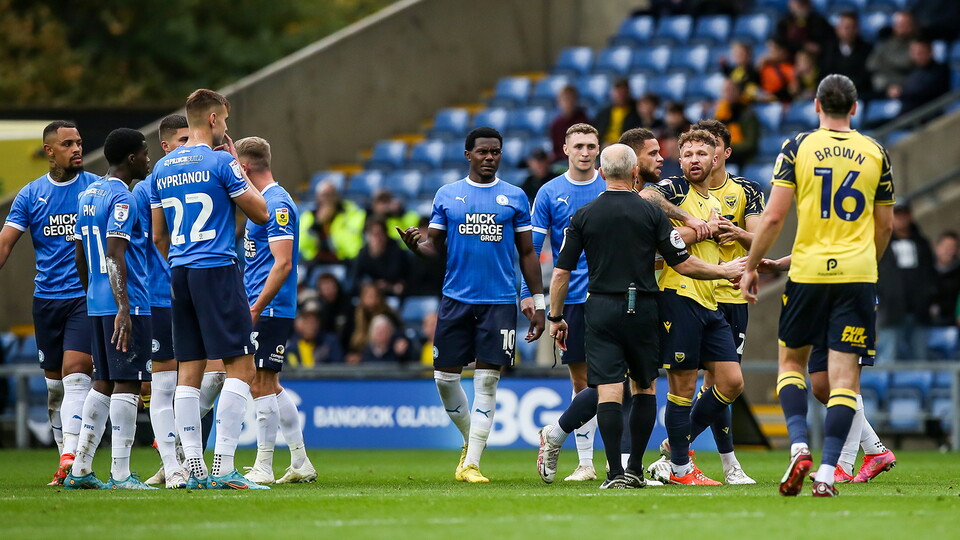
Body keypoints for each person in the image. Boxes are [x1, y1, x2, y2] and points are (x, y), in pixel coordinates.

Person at [545, 143, 744, 489]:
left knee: (608, 391)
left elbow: (561, 274)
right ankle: (635, 469)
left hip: (601, 306)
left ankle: (614, 474)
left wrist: (556, 317)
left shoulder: (584, 214)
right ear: (635, 173)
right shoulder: (652, 215)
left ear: (602, 173)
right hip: (644, 306)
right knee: (645, 390)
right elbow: (683, 263)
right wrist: (722, 272)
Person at [741, 74, 895, 497]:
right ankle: (827, 473)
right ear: (855, 107)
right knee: (845, 380)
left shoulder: (798, 147)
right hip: (857, 275)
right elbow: (885, 225)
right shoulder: (875, 152)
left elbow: (772, 218)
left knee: (791, 364)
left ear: (816, 105)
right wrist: (867, 262)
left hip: (809, 273)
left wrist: (753, 265)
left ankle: (797, 446)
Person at [397, 127, 546, 483]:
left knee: (487, 382)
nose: (490, 157)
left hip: (498, 303)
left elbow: (527, 253)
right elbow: (436, 247)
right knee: (445, 379)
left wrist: (537, 302)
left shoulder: (515, 197)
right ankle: (471, 440)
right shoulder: (448, 195)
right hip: (456, 300)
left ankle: (472, 463)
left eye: (495, 151)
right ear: (469, 155)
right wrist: (416, 247)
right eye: (483, 151)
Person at [150, 88, 270, 490]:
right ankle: (224, 466)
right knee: (242, 365)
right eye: (226, 120)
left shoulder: (164, 168)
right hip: (216, 268)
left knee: (190, 368)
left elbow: (158, 234)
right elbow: (261, 211)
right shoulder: (221, 161)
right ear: (215, 119)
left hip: (180, 272)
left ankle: (193, 469)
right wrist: (236, 164)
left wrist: (180, 258)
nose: (227, 128)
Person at [659, 119, 764, 485]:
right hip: (681, 295)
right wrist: (691, 224)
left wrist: (730, 247)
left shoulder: (725, 197)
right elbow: (648, 202)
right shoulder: (674, 188)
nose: (694, 158)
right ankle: (681, 465)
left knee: (730, 381)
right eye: (686, 153)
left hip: (718, 298)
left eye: (702, 152)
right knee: (683, 386)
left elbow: (758, 240)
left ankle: (675, 447)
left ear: (719, 155)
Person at [0, 121, 98, 485]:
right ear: (49, 151)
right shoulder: (31, 195)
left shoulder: (96, 189)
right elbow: (6, 242)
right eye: (68, 143)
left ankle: (74, 457)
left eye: (79, 142)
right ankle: (65, 461)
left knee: (76, 375)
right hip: (46, 301)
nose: (77, 149)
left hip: (84, 297)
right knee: (55, 389)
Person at [66, 128, 155, 490]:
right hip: (126, 302)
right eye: (145, 153)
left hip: (96, 302)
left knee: (101, 382)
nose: (148, 159)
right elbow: (115, 253)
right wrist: (123, 306)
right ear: (131, 158)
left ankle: (82, 468)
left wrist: (95, 296)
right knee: (128, 383)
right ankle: (121, 473)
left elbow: (79, 255)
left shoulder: (87, 194)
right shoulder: (123, 198)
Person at [758, 255, 896, 484]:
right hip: (819, 297)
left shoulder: (858, 222)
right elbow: (812, 246)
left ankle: (843, 464)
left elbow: (877, 238)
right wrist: (778, 264)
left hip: (853, 294)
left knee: (847, 381)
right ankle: (876, 451)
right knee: (822, 386)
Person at [520, 123, 606, 484]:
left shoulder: (612, 186)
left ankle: (563, 438)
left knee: (621, 380)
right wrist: (531, 296)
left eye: (591, 146)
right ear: (566, 150)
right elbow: (531, 250)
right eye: (579, 146)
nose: (585, 152)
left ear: (599, 149)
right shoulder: (549, 192)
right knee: (583, 382)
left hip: (612, 294)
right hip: (570, 298)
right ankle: (585, 462)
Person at [232, 136, 317, 486]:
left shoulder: (277, 204)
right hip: (264, 306)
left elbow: (282, 264)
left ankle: (263, 465)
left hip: (268, 308)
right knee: (270, 383)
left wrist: (255, 306)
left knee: (259, 382)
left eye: (236, 167)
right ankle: (300, 461)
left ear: (246, 167)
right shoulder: (264, 201)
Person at [131, 114, 189, 489]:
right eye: (181, 139)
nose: (189, 144)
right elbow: (135, 245)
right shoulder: (144, 191)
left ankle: (183, 457)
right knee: (166, 386)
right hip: (160, 297)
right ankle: (173, 464)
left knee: (210, 377)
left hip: (195, 291)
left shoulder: (198, 178)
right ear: (165, 146)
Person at [876, 204, 936, 362]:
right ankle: (886, 387)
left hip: (919, 310)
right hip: (890, 310)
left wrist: (929, 298)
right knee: (888, 355)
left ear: (910, 216)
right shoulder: (880, 244)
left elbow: (930, 273)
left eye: (904, 215)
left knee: (920, 356)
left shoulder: (922, 244)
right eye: (897, 215)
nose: (901, 219)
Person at [299, 180, 366, 264]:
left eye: (331, 195)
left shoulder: (351, 213)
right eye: (324, 195)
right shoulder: (308, 216)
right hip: (315, 261)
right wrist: (317, 224)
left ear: (337, 196)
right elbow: (301, 244)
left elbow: (353, 245)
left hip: (343, 260)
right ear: (318, 197)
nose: (328, 199)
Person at [351, 218, 411, 298]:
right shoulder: (363, 253)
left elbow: (406, 279)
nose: (378, 239)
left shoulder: (397, 252)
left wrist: (389, 286)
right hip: (371, 296)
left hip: (394, 296)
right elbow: (356, 280)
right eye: (374, 234)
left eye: (381, 234)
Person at [891, 38, 951, 115]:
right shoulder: (915, 71)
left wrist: (901, 93)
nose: (917, 56)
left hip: (928, 114)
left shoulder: (940, 69)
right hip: (906, 115)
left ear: (930, 52)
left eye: (920, 53)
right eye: (914, 53)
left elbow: (926, 91)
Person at [820, 12, 873, 98]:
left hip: (859, 94)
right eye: (847, 28)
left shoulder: (867, 49)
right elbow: (826, 72)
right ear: (838, 30)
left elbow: (865, 75)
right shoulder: (829, 50)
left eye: (853, 27)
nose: (850, 31)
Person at [866, 11, 917, 99]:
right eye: (899, 24)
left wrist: (888, 62)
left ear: (912, 26)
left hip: (908, 87)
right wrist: (889, 86)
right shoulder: (884, 44)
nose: (902, 28)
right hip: (884, 86)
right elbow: (872, 65)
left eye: (906, 24)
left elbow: (910, 65)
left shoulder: (917, 45)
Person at [713, 80, 760, 168]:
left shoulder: (747, 114)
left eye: (731, 90)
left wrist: (726, 148)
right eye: (725, 91)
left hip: (741, 159)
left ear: (739, 92)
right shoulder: (720, 113)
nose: (728, 94)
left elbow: (750, 144)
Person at [931, 231, 960, 358]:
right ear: (937, 247)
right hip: (927, 325)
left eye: (952, 247)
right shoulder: (925, 269)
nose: (948, 251)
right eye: (945, 246)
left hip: (953, 325)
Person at [592, 79, 640, 146]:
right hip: (603, 147)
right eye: (618, 92)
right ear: (612, 93)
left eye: (623, 92)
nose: (620, 96)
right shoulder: (603, 113)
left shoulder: (636, 113)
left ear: (628, 93)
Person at [549, 85, 590, 161]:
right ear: (559, 102)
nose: (568, 103)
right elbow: (556, 149)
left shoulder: (583, 120)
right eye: (565, 100)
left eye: (571, 99)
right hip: (562, 161)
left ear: (575, 101)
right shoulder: (556, 124)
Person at [758, 38, 796, 103]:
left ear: (782, 51)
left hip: (779, 102)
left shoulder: (790, 69)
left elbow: (792, 91)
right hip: (762, 99)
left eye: (772, 49)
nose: (769, 53)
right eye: (768, 49)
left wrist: (774, 96)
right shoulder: (765, 66)